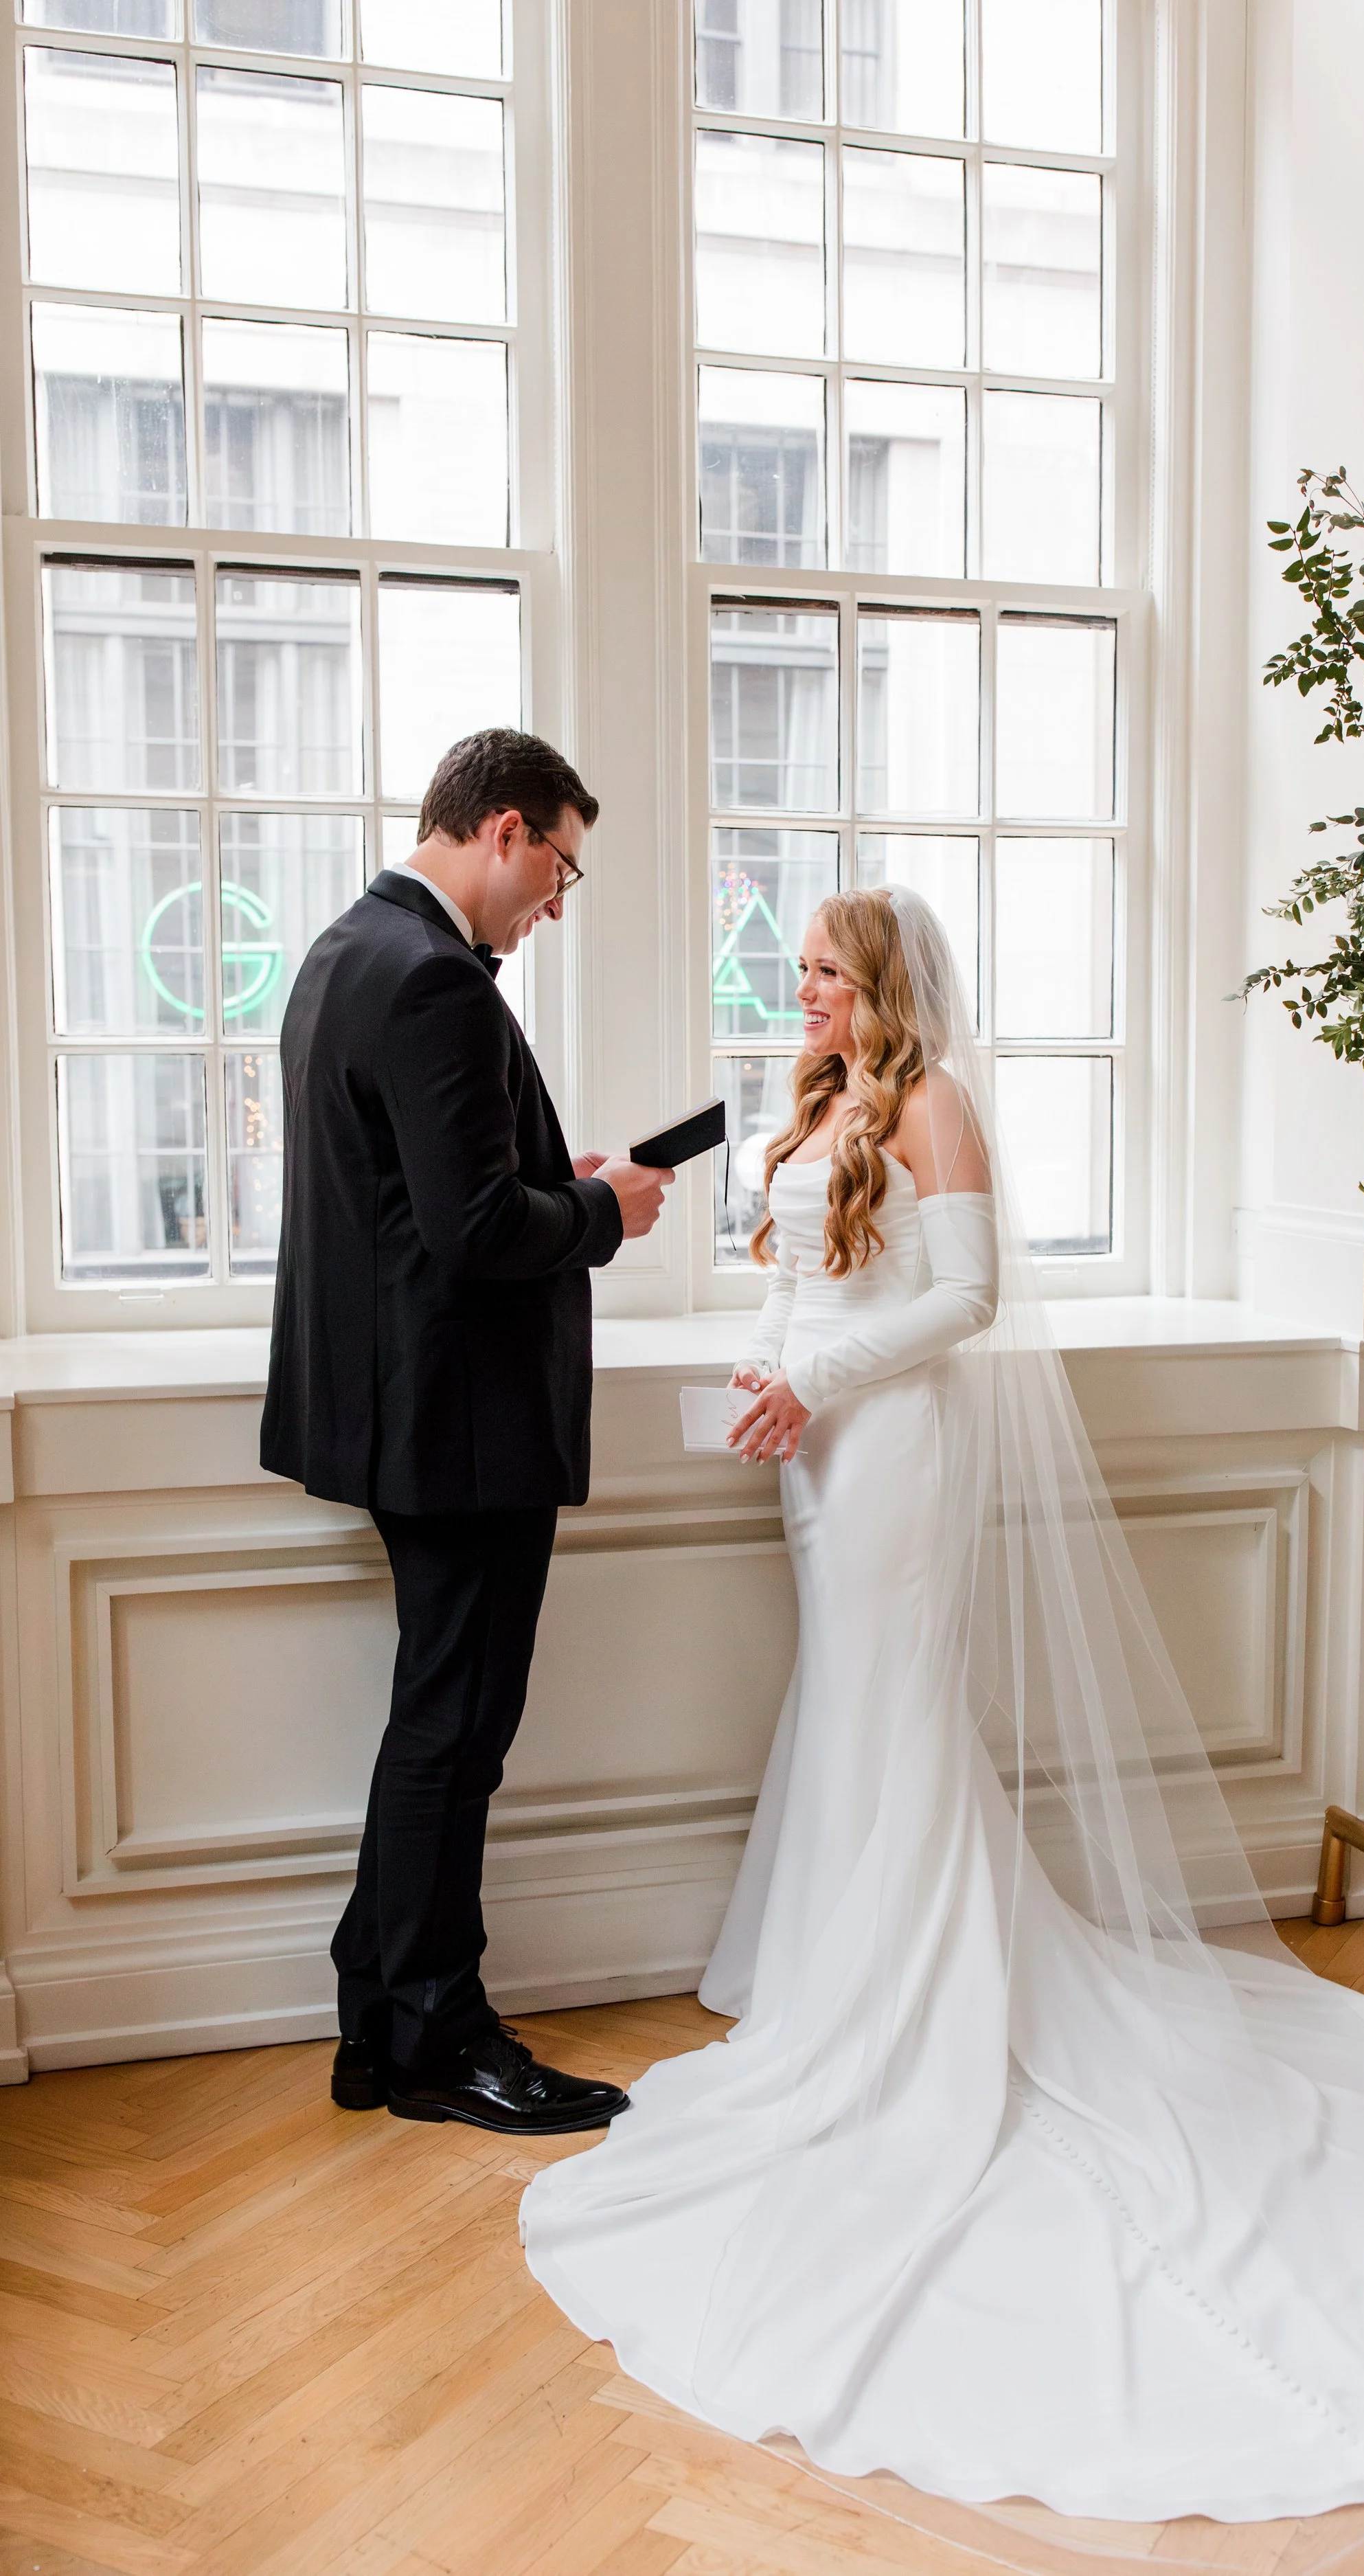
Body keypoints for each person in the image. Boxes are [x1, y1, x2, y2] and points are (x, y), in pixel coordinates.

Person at [519, 887, 1364, 2554]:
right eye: (801, 971)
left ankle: (913, 2015)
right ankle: (846, 1978)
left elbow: (957, 1305)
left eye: (824, 969)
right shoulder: (819, 1101)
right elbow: (794, 1282)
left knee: (893, 1711)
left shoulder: (936, 1104)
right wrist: (768, 1375)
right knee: (849, 1710)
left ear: (882, 983)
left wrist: (816, 1384)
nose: (799, 986)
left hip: (890, 1452)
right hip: (805, 1455)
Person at [262, 729, 670, 2138]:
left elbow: (416, 1199)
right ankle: (441, 2035)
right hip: (461, 1427)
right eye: (560, 865)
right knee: (456, 1732)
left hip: (399, 1414)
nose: (556, 901)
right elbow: (476, 1232)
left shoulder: (343, 949)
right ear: (502, 830)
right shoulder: (432, 978)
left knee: (432, 1724)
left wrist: (533, 1178)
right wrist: (606, 1210)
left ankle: (379, 2018)